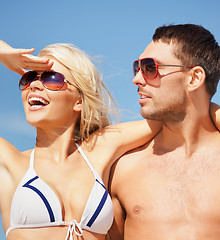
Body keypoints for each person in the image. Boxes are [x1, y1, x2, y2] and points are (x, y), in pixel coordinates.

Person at [0, 39, 164, 240]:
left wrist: (215, 115)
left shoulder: (99, 150)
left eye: (51, 78)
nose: (34, 85)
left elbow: (177, 115)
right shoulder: (9, 161)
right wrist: (4, 53)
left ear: (79, 100)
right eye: (29, 77)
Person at [108, 24, 220, 240]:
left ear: (194, 78)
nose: (137, 79)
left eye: (150, 68)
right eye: (137, 68)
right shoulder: (122, 169)